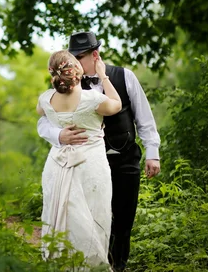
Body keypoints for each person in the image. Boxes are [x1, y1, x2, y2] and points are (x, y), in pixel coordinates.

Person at [38, 31, 161, 272]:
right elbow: (45, 120)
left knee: (124, 218)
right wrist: (58, 136)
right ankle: (95, 265)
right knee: (89, 217)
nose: (72, 63)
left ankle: (118, 266)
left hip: (125, 156)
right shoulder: (67, 81)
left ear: (95, 55)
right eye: (71, 57)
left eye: (78, 57)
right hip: (84, 162)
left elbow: (143, 115)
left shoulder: (124, 76)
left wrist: (152, 152)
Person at [37, 49, 122, 267]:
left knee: (64, 218)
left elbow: (41, 112)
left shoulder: (46, 99)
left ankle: (62, 264)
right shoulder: (92, 99)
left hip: (57, 165)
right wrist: (103, 76)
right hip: (90, 165)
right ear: (76, 70)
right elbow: (116, 104)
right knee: (95, 216)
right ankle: (91, 266)